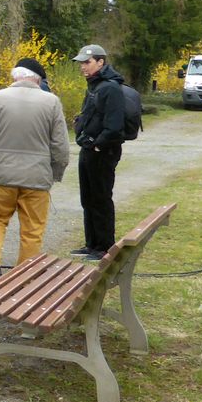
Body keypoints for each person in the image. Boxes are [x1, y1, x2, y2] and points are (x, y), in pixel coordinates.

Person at [0, 65, 71, 290]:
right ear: (38, 79)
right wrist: (54, 174)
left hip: (0, 175)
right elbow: (60, 146)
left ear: (15, 77)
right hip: (37, 177)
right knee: (32, 228)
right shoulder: (52, 102)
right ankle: (24, 276)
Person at [71, 44, 127, 260]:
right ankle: (92, 243)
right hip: (88, 149)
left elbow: (114, 126)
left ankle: (104, 246)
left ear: (100, 62)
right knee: (88, 198)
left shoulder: (111, 88)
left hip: (103, 152)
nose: (83, 67)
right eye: (82, 63)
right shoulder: (94, 86)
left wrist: (98, 145)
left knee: (101, 198)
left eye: (87, 62)